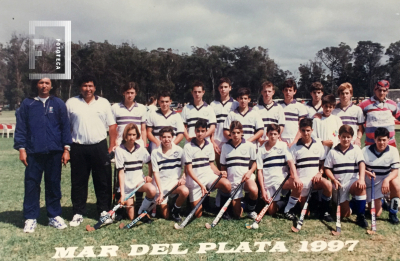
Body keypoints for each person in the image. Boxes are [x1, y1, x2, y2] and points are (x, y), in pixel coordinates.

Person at [14, 77, 72, 233]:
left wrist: (66, 149)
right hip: (34, 152)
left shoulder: (58, 103)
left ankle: (54, 215)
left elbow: (65, 127)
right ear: (36, 85)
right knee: (32, 184)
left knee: (53, 184)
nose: (44, 85)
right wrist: (21, 149)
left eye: (47, 83)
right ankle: (31, 218)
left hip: (54, 151)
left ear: (51, 85)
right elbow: (21, 128)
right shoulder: (28, 103)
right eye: (41, 82)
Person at [66, 75, 117, 227]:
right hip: (78, 147)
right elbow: (66, 128)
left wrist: (111, 146)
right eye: (84, 85)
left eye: (90, 86)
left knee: (103, 180)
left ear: (95, 88)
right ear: (80, 87)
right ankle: (78, 212)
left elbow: (112, 126)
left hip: (99, 146)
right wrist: (67, 148)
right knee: (78, 181)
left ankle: (103, 210)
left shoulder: (104, 103)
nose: (87, 89)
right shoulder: (71, 103)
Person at [183, 119, 231, 218]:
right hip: (195, 181)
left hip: (208, 176)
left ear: (206, 132)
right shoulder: (188, 146)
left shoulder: (209, 145)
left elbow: (211, 164)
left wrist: (219, 172)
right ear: (195, 131)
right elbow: (189, 169)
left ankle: (223, 211)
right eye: (198, 131)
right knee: (198, 214)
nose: (200, 133)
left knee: (226, 184)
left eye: (202, 131)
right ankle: (192, 200)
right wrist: (201, 185)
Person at [288, 118, 333, 222]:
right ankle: (297, 203)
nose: (306, 133)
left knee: (328, 185)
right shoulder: (294, 147)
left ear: (312, 130)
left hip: (315, 180)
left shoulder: (318, 144)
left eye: (308, 130)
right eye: (303, 130)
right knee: (306, 214)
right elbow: (292, 167)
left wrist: (320, 173)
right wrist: (296, 179)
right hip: (302, 182)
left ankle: (325, 211)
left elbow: (323, 163)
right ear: (299, 130)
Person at [324, 125, 368, 228]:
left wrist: (361, 179)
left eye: (348, 137)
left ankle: (361, 216)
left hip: (352, 181)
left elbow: (361, 163)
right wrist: (334, 179)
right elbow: (327, 169)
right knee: (345, 214)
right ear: (339, 137)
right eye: (343, 137)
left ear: (352, 137)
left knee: (361, 186)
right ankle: (352, 203)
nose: (346, 139)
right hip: (339, 184)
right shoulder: (332, 152)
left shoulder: (356, 149)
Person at [256, 124, 302, 216]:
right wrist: (263, 190)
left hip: (282, 179)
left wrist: (296, 177)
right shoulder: (261, 150)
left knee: (298, 185)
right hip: (269, 182)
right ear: (267, 134)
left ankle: (288, 210)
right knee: (272, 211)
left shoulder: (283, 146)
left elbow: (290, 162)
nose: (273, 136)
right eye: (271, 134)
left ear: (278, 135)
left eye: (275, 134)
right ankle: (284, 202)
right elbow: (259, 172)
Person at [115, 123, 157, 220]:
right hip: (127, 186)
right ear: (125, 135)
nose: (131, 137)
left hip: (139, 182)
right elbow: (120, 173)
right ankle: (128, 206)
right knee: (131, 217)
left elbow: (150, 163)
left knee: (152, 190)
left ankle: (142, 210)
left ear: (137, 135)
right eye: (129, 135)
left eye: (134, 135)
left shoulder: (141, 149)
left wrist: (149, 176)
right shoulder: (119, 150)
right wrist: (122, 194)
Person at [220, 121, 258, 219]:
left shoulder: (249, 145)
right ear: (230, 133)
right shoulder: (225, 147)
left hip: (246, 178)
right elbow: (223, 166)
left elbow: (255, 163)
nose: (236, 135)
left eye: (238, 132)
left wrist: (250, 172)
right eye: (233, 133)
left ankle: (250, 210)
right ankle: (242, 203)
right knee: (237, 215)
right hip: (233, 181)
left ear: (242, 133)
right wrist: (224, 174)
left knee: (254, 190)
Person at [362, 127, 400, 224]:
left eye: (384, 140)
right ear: (374, 139)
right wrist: (366, 172)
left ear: (388, 139)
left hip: (385, 180)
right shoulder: (365, 150)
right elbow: (360, 168)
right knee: (377, 213)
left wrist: (387, 180)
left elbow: (395, 171)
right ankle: (382, 201)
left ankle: (393, 213)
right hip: (372, 183)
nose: (382, 142)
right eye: (379, 140)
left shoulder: (393, 151)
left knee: (396, 183)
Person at [151, 127, 189, 222]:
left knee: (185, 191)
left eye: (169, 137)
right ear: (160, 138)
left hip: (174, 184)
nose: (166, 139)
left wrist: (183, 177)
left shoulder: (179, 150)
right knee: (166, 216)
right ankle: (166, 203)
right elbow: (156, 173)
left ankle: (175, 210)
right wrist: (160, 192)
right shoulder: (155, 153)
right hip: (161, 185)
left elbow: (186, 166)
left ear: (172, 137)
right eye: (164, 137)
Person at [359, 80, 400, 147]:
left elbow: (398, 116)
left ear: (387, 92)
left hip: (390, 143)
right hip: (371, 143)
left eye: (384, 91)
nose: (381, 93)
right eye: (379, 90)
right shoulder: (364, 104)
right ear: (375, 90)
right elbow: (357, 120)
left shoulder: (392, 104)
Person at [210, 77, 238, 169]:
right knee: (219, 168)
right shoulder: (213, 104)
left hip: (231, 140)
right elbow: (211, 125)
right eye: (221, 87)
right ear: (218, 89)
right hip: (217, 141)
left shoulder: (235, 104)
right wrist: (212, 141)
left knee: (232, 166)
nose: (223, 89)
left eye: (225, 87)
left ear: (230, 88)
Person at [111, 82, 147, 147]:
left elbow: (143, 129)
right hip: (120, 144)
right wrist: (114, 143)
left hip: (138, 144)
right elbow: (112, 129)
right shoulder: (115, 107)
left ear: (136, 94)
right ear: (123, 93)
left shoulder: (142, 108)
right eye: (128, 93)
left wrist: (144, 146)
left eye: (132, 93)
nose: (130, 95)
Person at [332, 83, 364, 147]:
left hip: (353, 143)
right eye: (342, 93)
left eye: (347, 93)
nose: (344, 96)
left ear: (351, 94)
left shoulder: (357, 110)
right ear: (339, 95)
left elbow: (360, 129)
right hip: (338, 143)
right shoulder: (333, 111)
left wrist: (358, 138)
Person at [278, 79, 308, 147]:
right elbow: (275, 124)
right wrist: (279, 139)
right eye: (286, 90)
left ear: (295, 91)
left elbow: (302, 126)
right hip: (280, 141)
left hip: (295, 141)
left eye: (290, 90)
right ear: (283, 91)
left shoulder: (300, 106)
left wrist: (295, 141)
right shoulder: (277, 106)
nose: (288, 92)